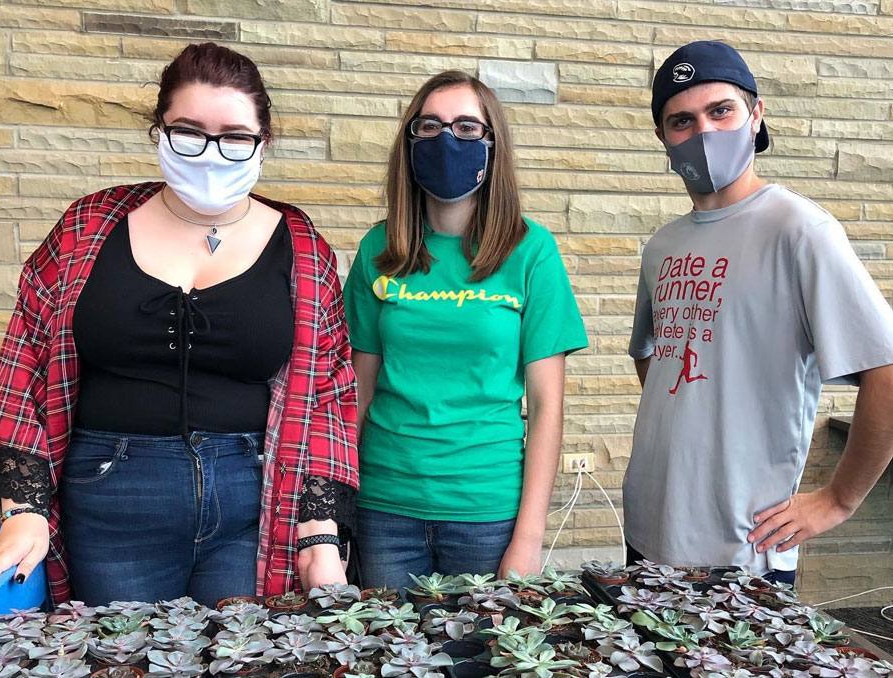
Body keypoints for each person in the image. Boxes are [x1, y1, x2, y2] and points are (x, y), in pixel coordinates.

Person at [0, 42, 358, 607]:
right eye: (188, 131)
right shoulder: (87, 228)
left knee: (244, 660)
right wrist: (23, 508)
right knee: (123, 660)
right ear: (157, 131)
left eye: (235, 137)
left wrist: (320, 532)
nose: (212, 153)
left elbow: (330, 392)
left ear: (264, 142)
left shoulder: (302, 245)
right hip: (111, 503)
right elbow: (24, 367)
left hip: (255, 506)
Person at [626, 41, 893, 584]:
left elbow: (885, 371)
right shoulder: (662, 245)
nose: (703, 132)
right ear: (662, 137)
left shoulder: (799, 231)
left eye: (720, 111)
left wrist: (839, 500)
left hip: (742, 545)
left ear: (755, 115)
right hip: (647, 528)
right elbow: (653, 357)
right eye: (682, 120)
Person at [343, 70, 588, 590]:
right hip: (385, 506)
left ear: (492, 144)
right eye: (429, 126)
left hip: (487, 512)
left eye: (467, 127)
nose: (447, 139)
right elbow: (356, 393)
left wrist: (529, 536)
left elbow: (547, 407)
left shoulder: (531, 251)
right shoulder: (379, 250)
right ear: (410, 143)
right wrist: (336, 511)